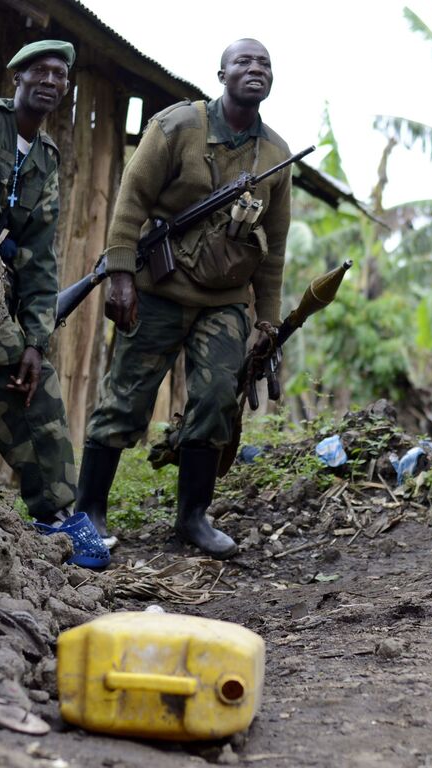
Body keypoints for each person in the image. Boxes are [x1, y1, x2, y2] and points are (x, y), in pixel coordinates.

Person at [72, 38, 293, 560]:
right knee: (126, 397)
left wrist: (268, 321)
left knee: (217, 398)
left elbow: (275, 247)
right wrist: (122, 273)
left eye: (264, 63)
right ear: (221, 74)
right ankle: (90, 509)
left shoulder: (277, 155)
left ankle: (193, 518)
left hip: (224, 300)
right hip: (159, 289)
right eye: (244, 61)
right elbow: (132, 199)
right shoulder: (177, 127)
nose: (255, 69)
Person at [0, 40, 107, 569]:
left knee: (21, 390)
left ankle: (53, 516)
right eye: (40, 70)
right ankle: (58, 512)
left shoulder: (44, 160)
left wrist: (37, 341)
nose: (51, 81)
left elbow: (39, 261)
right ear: (17, 76)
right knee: (39, 394)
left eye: (60, 75)